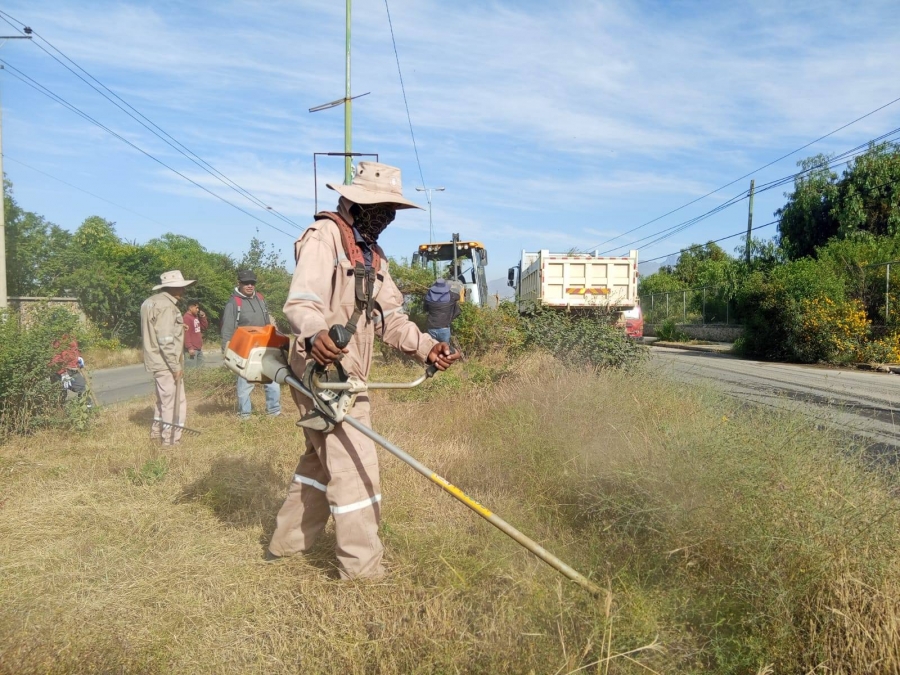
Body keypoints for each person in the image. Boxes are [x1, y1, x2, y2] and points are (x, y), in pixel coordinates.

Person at [267, 161, 461, 579]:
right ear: (354, 203)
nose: (387, 217)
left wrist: (428, 348)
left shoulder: (373, 254)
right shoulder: (324, 238)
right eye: (381, 207)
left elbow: (392, 319)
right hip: (325, 373)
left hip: (351, 372)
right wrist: (315, 332)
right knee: (356, 467)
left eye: (391, 209)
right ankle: (363, 573)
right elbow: (302, 301)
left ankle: (288, 543)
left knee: (320, 462)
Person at [141, 270, 194, 445]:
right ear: (173, 288)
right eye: (181, 287)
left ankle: (156, 432)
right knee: (175, 402)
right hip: (166, 362)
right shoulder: (166, 306)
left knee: (162, 400)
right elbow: (165, 339)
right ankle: (170, 440)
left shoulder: (150, 302)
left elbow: (158, 330)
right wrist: (175, 366)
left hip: (156, 359)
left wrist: (180, 329)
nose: (183, 290)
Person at [221, 269, 282, 419]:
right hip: (244, 349)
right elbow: (227, 330)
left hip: (264, 346)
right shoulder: (234, 303)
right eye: (246, 283)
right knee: (245, 384)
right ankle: (245, 415)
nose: (250, 285)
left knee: (272, 380)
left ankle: (274, 412)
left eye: (252, 283)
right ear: (239, 283)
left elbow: (267, 323)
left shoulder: (260, 298)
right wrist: (226, 353)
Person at [423, 278, 461, 343]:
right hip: (444, 328)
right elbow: (458, 297)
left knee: (433, 350)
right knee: (445, 350)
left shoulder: (428, 296)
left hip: (431, 327)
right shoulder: (451, 296)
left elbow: (425, 309)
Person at [183, 299, 208, 368]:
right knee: (191, 371)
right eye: (196, 308)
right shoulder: (186, 318)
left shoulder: (195, 317)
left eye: (198, 308)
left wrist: (203, 317)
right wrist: (189, 347)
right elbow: (186, 334)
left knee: (200, 369)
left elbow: (204, 327)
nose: (198, 310)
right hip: (191, 349)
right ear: (190, 308)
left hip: (198, 348)